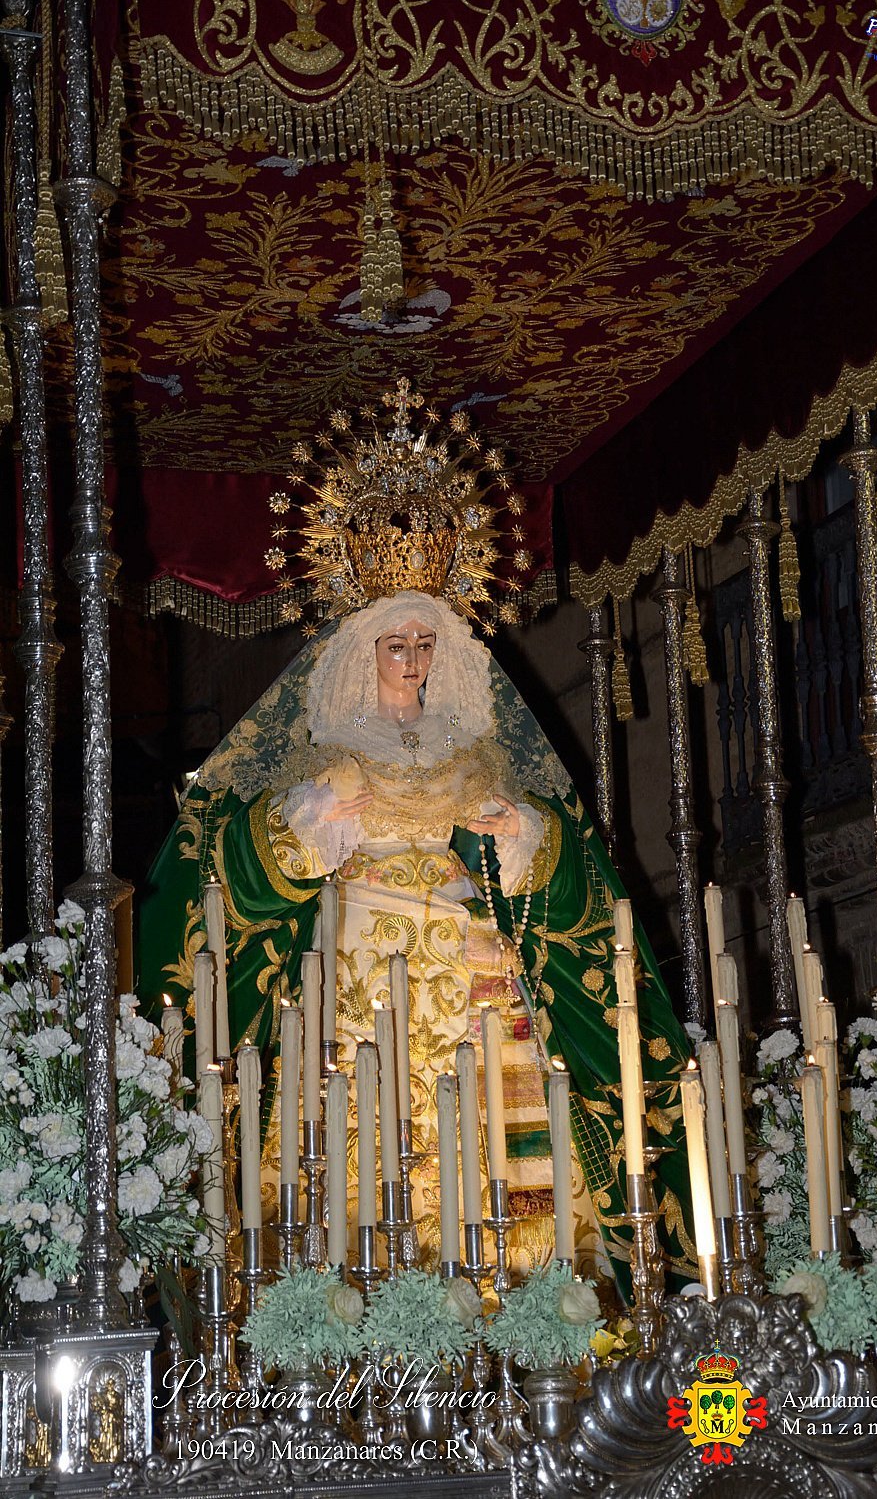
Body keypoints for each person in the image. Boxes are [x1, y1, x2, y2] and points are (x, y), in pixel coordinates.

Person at [139, 391, 694, 1294]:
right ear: (362, 649)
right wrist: (304, 826)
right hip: (356, 995)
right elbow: (235, 868)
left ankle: (524, 1326)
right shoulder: (325, 751)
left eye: (424, 641)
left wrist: (526, 838)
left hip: (479, 992)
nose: (409, 658)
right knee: (357, 1165)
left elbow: (560, 871)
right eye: (393, 642)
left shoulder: (474, 751)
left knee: (504, 1176)